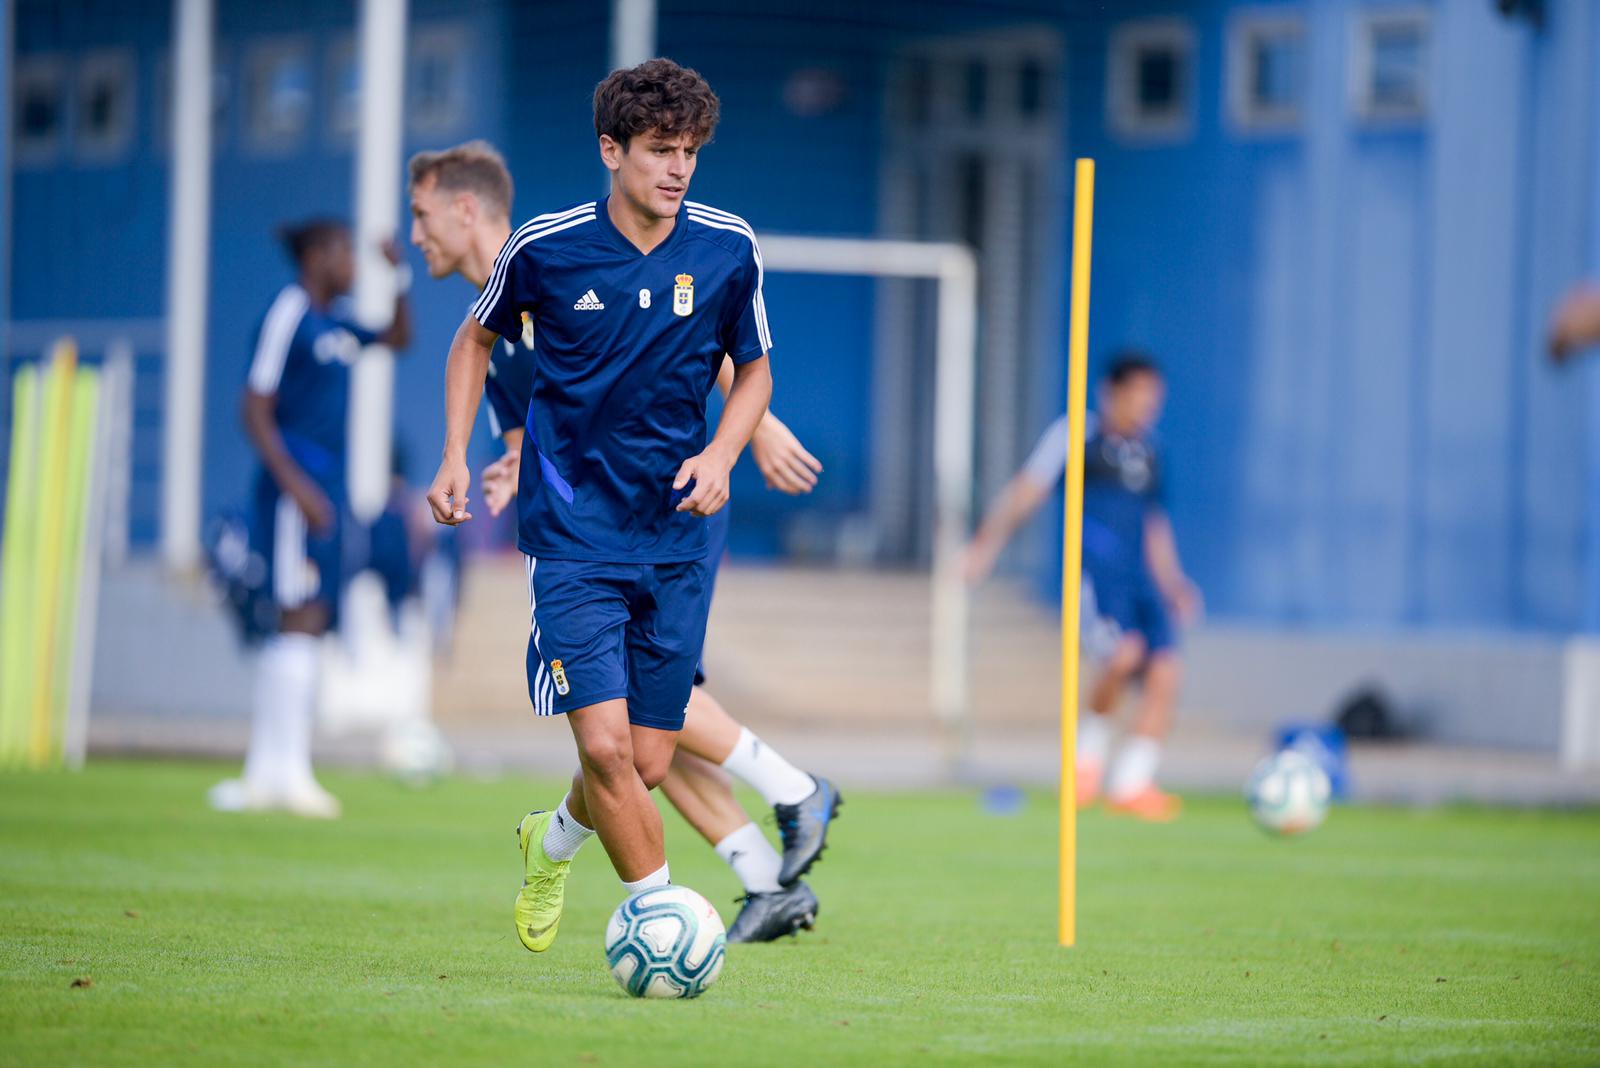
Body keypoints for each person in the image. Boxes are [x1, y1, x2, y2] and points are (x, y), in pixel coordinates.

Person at [425, 59, 837, 952]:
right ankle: (659, 917)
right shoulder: (544, 247)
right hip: (574, 536)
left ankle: (553, 837)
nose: (678, 168)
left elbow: (756, 369)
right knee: (608, 751)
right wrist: (459, 453)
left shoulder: (728, 247)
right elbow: (474, 341)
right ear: (612, 150)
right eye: (659, 150)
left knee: (646, 763)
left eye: (690, 151)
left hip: (682, 537)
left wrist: (728, 450)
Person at [209, 219, 412, 817]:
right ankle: (280, 771)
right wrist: (294, 486)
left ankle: (270, 770)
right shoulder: (289, 312)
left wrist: (397, 273)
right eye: (345, 251)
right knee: (298, 615)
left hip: (326, 494)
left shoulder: (337, 322)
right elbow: (254, 406)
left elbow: (398, 338)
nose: (352, 261)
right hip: (296, 495)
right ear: (317, 255)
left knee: (309, 616)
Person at [962, 351, 1200, 822]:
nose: (1147, 406)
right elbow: (1026, 492)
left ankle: (1133, 781)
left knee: (1166, 673)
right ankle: (1084, 765)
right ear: (1111, 392)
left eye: (1154, 397)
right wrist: (984, 546)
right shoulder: (1076, 435)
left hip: (1141, 582)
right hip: (1097, 578)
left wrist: (1173, 581)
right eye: (1138, 395)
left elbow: (1155, 522)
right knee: (1123, 654)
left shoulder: (1150, 451)